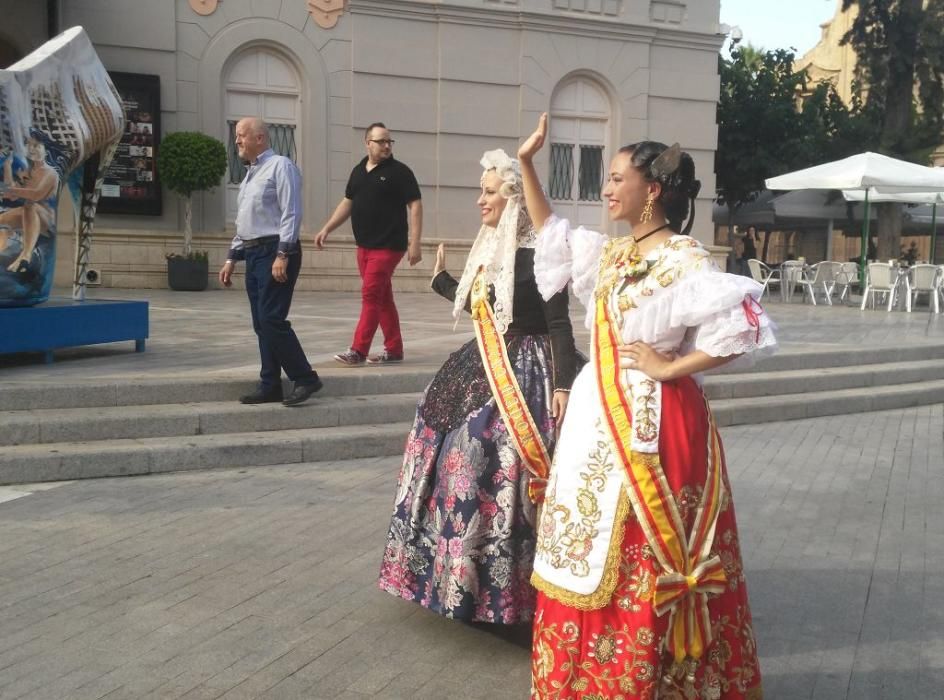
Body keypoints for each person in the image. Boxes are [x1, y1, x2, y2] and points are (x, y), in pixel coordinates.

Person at [518, 114, 775, 699]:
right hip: (597, 413)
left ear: (651, 190)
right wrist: (528, 164)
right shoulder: (610, 255)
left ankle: (659, 680)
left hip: (658, 422)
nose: (607, 190)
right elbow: (548, 229)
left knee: (642, 551)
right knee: (586, 539)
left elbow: (741, 329)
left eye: (615, 178)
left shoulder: (683, 258)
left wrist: (669, 367)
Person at [378, 149, 582, 624]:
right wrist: (441, 280)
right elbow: (485, 308)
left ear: (513, 200)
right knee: (446, 437)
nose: (479, 200)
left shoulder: (543, 256)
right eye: (481, 191)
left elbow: (559, 326)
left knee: (488, 450)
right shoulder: (494, 251)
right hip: (484, 363)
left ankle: (513, 590)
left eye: (488, 192)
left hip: (532, 371)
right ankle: (451, 576)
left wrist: (566, 383)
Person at [218, 117, 322, 407]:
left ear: (260, 138)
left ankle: (305, 378)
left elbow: (291, 212)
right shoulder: (251, 174)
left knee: (270, 318)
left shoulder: (281, 166)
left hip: (275, 251)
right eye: (236, 136)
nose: (236, 140)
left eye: (241, 135)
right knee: (261, 323)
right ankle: (270, 385)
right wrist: (231, 258)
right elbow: (245, 222)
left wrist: (283, 254)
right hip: (253, 252)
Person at [313, 122, 423, 366]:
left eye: (389, 141)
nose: (386, 146)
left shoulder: (400, 172)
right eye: (381, 141)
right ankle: (394, 349)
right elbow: (348, 202)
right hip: (364, 246)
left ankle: (358, 351)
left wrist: (415, 243)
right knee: (382, 297)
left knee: (371, 296)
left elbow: (415, 206)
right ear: (367, 143)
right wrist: (327, 228)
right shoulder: (358, 171)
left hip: (388, 246)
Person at [0, 135, 59, 273]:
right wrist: (8, 166)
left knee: (29, 204)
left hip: (46, 221)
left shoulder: (51, 173)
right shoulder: (26, 171)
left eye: (37, 145)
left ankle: (26, 256)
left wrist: (8, 190)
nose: (32, 149)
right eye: (29, 146)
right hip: (27, 216)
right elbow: (12, 195)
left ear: (46, 151)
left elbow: (37, 194)